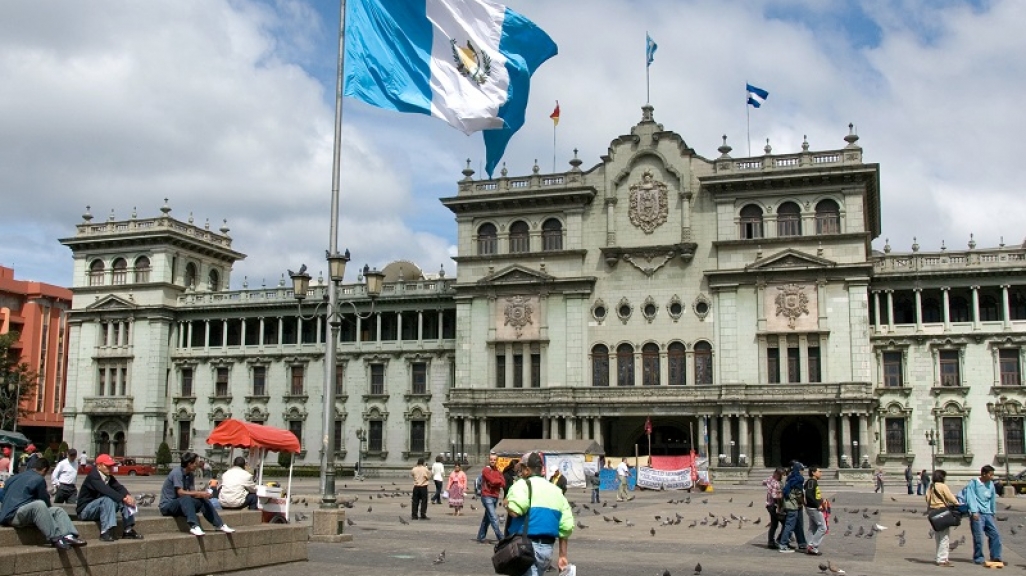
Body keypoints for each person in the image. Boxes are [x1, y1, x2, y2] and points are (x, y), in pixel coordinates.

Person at [506, 452, 574, 576]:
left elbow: (515, 511)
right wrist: (562, 555)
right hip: (547, 550)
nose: (520, 471)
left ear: (527, 470)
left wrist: (506, 504)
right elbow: (566, 525)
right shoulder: (556, 491)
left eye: (521, 468)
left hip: (525, 548)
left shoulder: (522, 485)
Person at [0, 457, 87, 550]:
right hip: (14, 516)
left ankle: (69, 536)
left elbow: (2, 494)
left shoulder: (14, 477)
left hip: (11, 513)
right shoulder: (39, 479)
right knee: (39, 504)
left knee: (58, 510)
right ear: (44, 470)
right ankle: (56, 538)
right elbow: (45, 502)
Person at [158, 451, 234, 536]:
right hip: (168, 506)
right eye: (196, 463)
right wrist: (199, 493)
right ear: (189, 464)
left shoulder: (190, 475)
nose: (197, 465)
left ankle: (220, 525)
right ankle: (194, 526)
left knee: (201, 500)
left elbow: (192, 492)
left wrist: (203, 495)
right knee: (185, 497)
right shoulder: (177, 473)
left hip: (182, 504)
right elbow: (181, 493)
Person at [77, 453, 143, 541]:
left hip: (101, 509)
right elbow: (106, 491)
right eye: (107, 466)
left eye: (111, 466)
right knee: (108, 499)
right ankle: (105, 532)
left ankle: (128, 530)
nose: (110, 468)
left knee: (124, 499)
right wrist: (123, 498)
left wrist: (127, 496)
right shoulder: (93, 477)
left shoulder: (108, 477)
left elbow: (119, 488)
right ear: (99, 466)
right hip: (85, 511)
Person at [964, 465, 1003, 567]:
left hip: (988, 513)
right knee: (979, 537)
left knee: (995, 534)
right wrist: (973, 511)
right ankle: (978, 557)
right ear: (984, 474)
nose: (992, 477)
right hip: (978, 513)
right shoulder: (974, 483)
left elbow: (992, 498)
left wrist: (993, 511)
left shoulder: (990, 484)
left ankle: (996, 556)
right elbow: (970, 497)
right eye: (990, 475)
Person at [926, 469, 959, 567]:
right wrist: (957, 503)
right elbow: (950, 497)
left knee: (938, 536)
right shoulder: (943, 486)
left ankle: (939, 557)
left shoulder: (931, 486)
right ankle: (942, 560)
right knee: (944, 537)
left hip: (933, 512)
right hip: (942, 512)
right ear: (942, 477)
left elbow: (927, 498)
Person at [776, 462, 808, 553]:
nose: (803, 472)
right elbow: (798, 494)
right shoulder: (798, 479)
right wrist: (803, 503)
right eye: (802, 470)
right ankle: (783, 544)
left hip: (788, 504)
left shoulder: (790, 479)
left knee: (794, 524)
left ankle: (801, 543)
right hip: (793, 505)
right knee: (789, 525)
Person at [476, 452, 506, 543]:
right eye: (491, 459)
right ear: (488, 460)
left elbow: (503, 483)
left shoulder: (498, 471)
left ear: (496, 460)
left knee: (487, 518)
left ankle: (481, 536)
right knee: (493, 517)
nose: (492, 461)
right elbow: (492, 481)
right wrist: (498, 482)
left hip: (495, 496)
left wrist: (496, 482)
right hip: (486, 496)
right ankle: (501, 537)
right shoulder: (486, 470)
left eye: (494, 459)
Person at [804, 466, 827, 556]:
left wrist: (821, 500)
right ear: (813, 473)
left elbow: (814, 495)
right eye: (819, 471)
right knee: (822, 527)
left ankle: (809, 545)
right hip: (813, 508)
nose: (821, 473)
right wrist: (818, 505)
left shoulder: (812, 482)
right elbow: (809, 495)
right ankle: (813, 546)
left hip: (812, 507)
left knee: (813, 527)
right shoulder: (811, 482)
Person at [763, 467, 784, 550]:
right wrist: (781, 494)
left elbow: (763, 482)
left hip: (769, 505)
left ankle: (771, 541)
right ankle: (779, 539)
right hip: (774, 506)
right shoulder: (776, 483)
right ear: (777, 474)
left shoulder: (770, 479)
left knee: (774, 524)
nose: (782, 477)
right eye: (781, 475)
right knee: (786, 523)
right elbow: (775, 496)